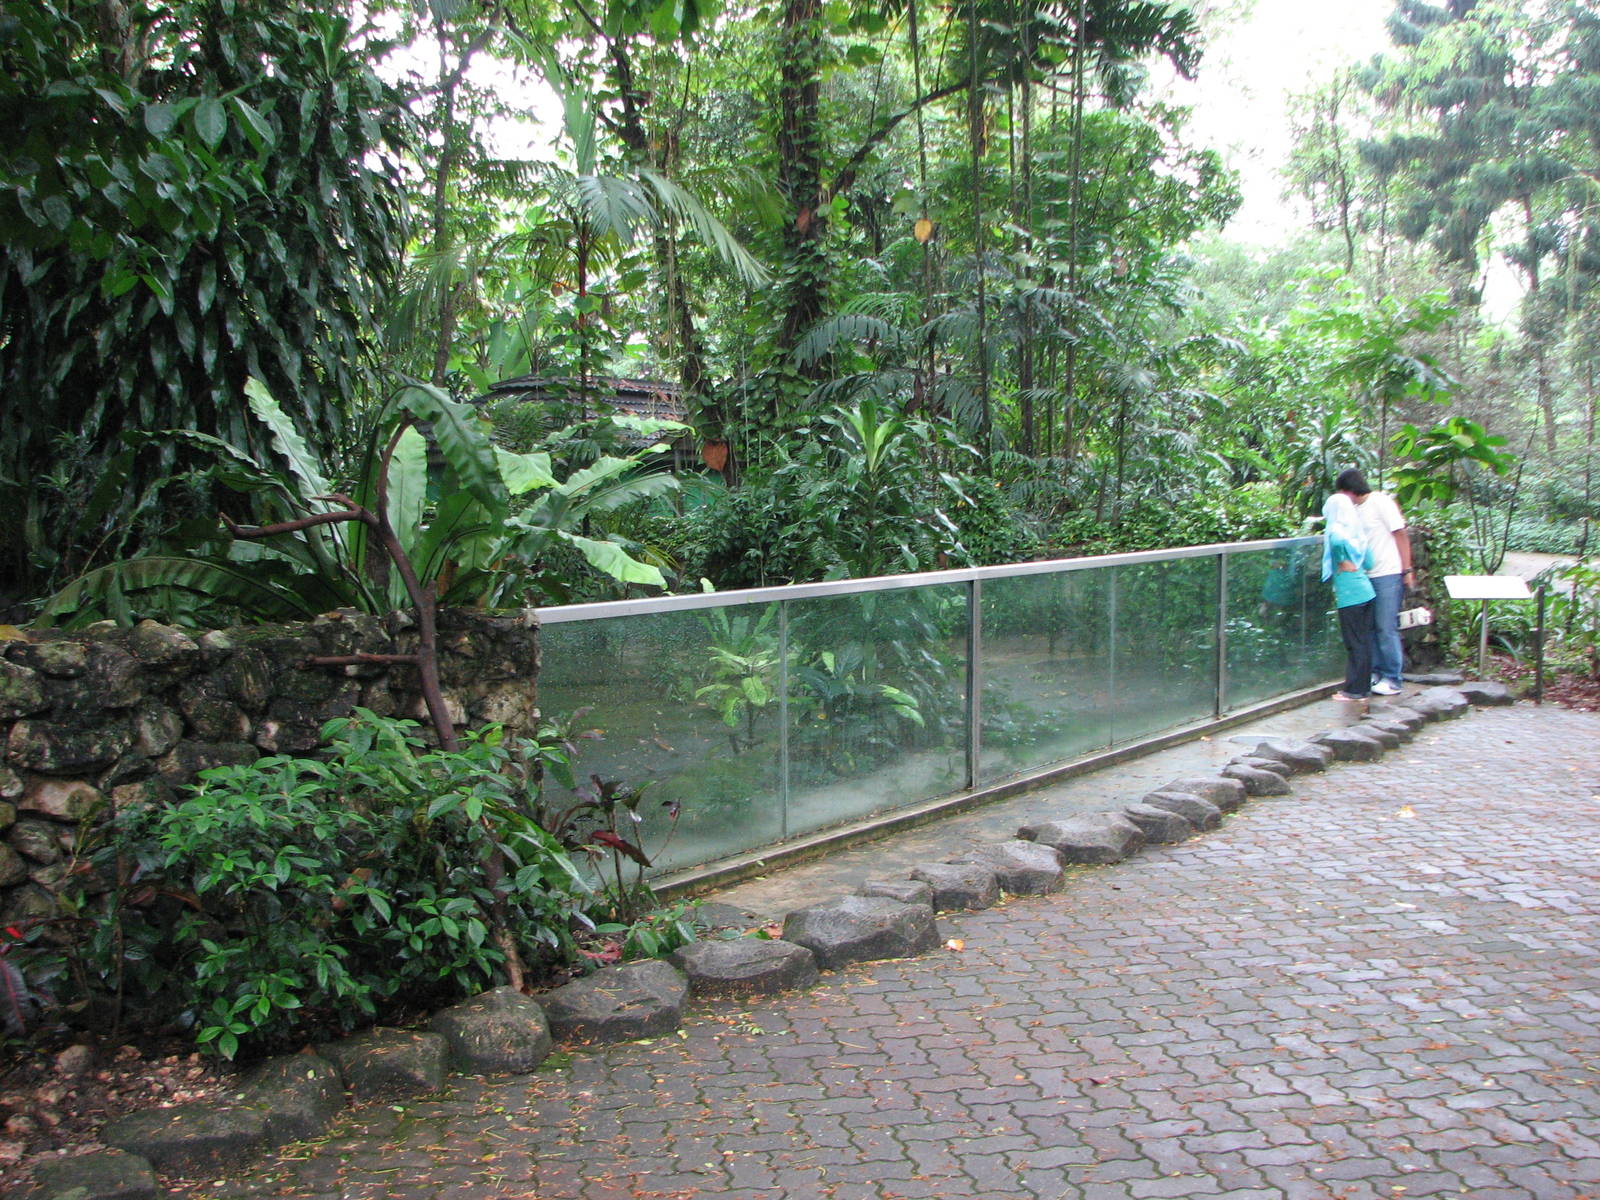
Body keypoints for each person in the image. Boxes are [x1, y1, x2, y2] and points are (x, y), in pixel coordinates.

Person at [1334, 467, 1414, 696]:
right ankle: (1375, 672)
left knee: (1385, 626)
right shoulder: (1353, 511)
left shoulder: (1380, 502)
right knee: (1368, 629)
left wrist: (1406, 569)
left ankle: (1392, 677)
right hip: (1364, 578)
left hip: (1386, 573)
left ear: (1350, 490)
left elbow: (1400, 534)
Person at [1322, 480, 1376, 702]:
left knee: (1354, 642)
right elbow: (1370, 562)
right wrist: (1355, 561)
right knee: (1363, 640)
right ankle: (1363, 688)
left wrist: (1343, 560)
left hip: (1350, 594)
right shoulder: (1358, 534)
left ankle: (1353, 690)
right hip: (1366, 590)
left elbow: (1335, 540)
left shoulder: (1338, 530)